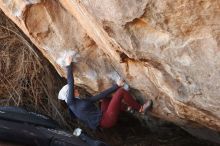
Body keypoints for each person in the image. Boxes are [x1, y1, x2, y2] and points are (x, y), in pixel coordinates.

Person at [58, 55, 153, 130]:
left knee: (105, 99)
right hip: (106, 120)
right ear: (69, 94)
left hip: (102, 115)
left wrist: (116, 85)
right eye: (74, 90)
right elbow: (70, 82)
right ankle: (140, 109)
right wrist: (68, 65)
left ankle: (129, 109)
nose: (76, 89)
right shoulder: (71, 102)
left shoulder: (79, 102)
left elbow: (99, 96)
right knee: (121, 92)